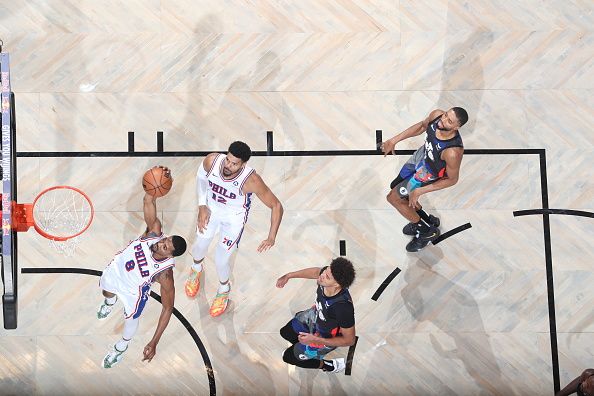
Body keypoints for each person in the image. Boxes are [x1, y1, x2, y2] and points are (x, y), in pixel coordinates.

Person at [97, 168, 187, 369]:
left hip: (133, 292)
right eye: (165, 239)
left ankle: (120, 348)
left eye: (165, 246)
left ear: (170, 255)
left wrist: (154, 342)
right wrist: (158, 181)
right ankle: (109, 302)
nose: (161, 243)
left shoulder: (165, 273)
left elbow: (167, 307)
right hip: (116, 271)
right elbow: (149, 201)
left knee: (130, 325)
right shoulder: (153, 233)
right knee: (106, 291)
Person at [185, 141, 283, 317]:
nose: (228, 165)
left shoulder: (251, 180)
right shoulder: (212, 161)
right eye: (228, 160)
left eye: (234, 163)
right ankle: (196, 270)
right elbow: (200, 177)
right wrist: (201, 205)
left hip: (232, 220)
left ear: (243, 164)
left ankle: (224, 289)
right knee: (199, 247)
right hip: (210, 211)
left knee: (221, 260)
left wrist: (271, 237)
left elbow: (276, 205)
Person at [382, 107, 468, 252]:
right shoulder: (436, 116)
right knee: (395, 186)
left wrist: (421, 190)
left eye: (449, 121)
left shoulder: (452, 152)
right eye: (446, 115)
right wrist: (394, 140)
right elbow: (422, 126)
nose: (443, 120)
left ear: (456, 127)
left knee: (393, 198)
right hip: (419, 157)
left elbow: (452, 179)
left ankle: (425, 232)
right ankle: (428, 220)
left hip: (427, 173)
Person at [276, 257, 356, 373]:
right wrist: (289, 275)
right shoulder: (326, 274)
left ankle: (328, 365)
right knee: (285, 332)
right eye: (326, 270)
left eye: (327, 276)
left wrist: (315, 340)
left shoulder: (343, 308)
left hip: (324, 336)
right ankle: (304, 349)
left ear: (337, 285)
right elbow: (315, 272)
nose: (322, 275)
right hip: (314, 317)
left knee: (288, 357)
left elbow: (349, 340)